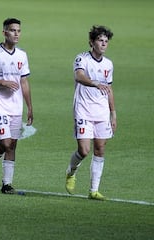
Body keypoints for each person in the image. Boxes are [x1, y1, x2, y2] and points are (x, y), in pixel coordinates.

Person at [0, 18, 33, 194]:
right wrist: (2, 82)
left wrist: (30, 106)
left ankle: (5, 183)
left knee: (11, 145)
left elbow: (24, 82)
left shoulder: (22, 55)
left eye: (18, 30)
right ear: (4, 33)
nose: (16, 33)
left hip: (16, 106)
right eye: (12, 30)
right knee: (6, 143)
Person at [65, 25, 116, 200]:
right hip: (83, 110)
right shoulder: (82, 59)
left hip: (101, 112)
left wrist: (113, 113)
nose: (103, 44)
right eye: (100, 40)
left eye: (105, 41)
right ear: (92, 42)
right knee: (84, 150)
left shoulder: (108, 64)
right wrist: (95, 83)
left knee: (100, 149)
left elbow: (109, 89)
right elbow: (79, 76)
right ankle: (71, 172)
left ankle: (93, 190)